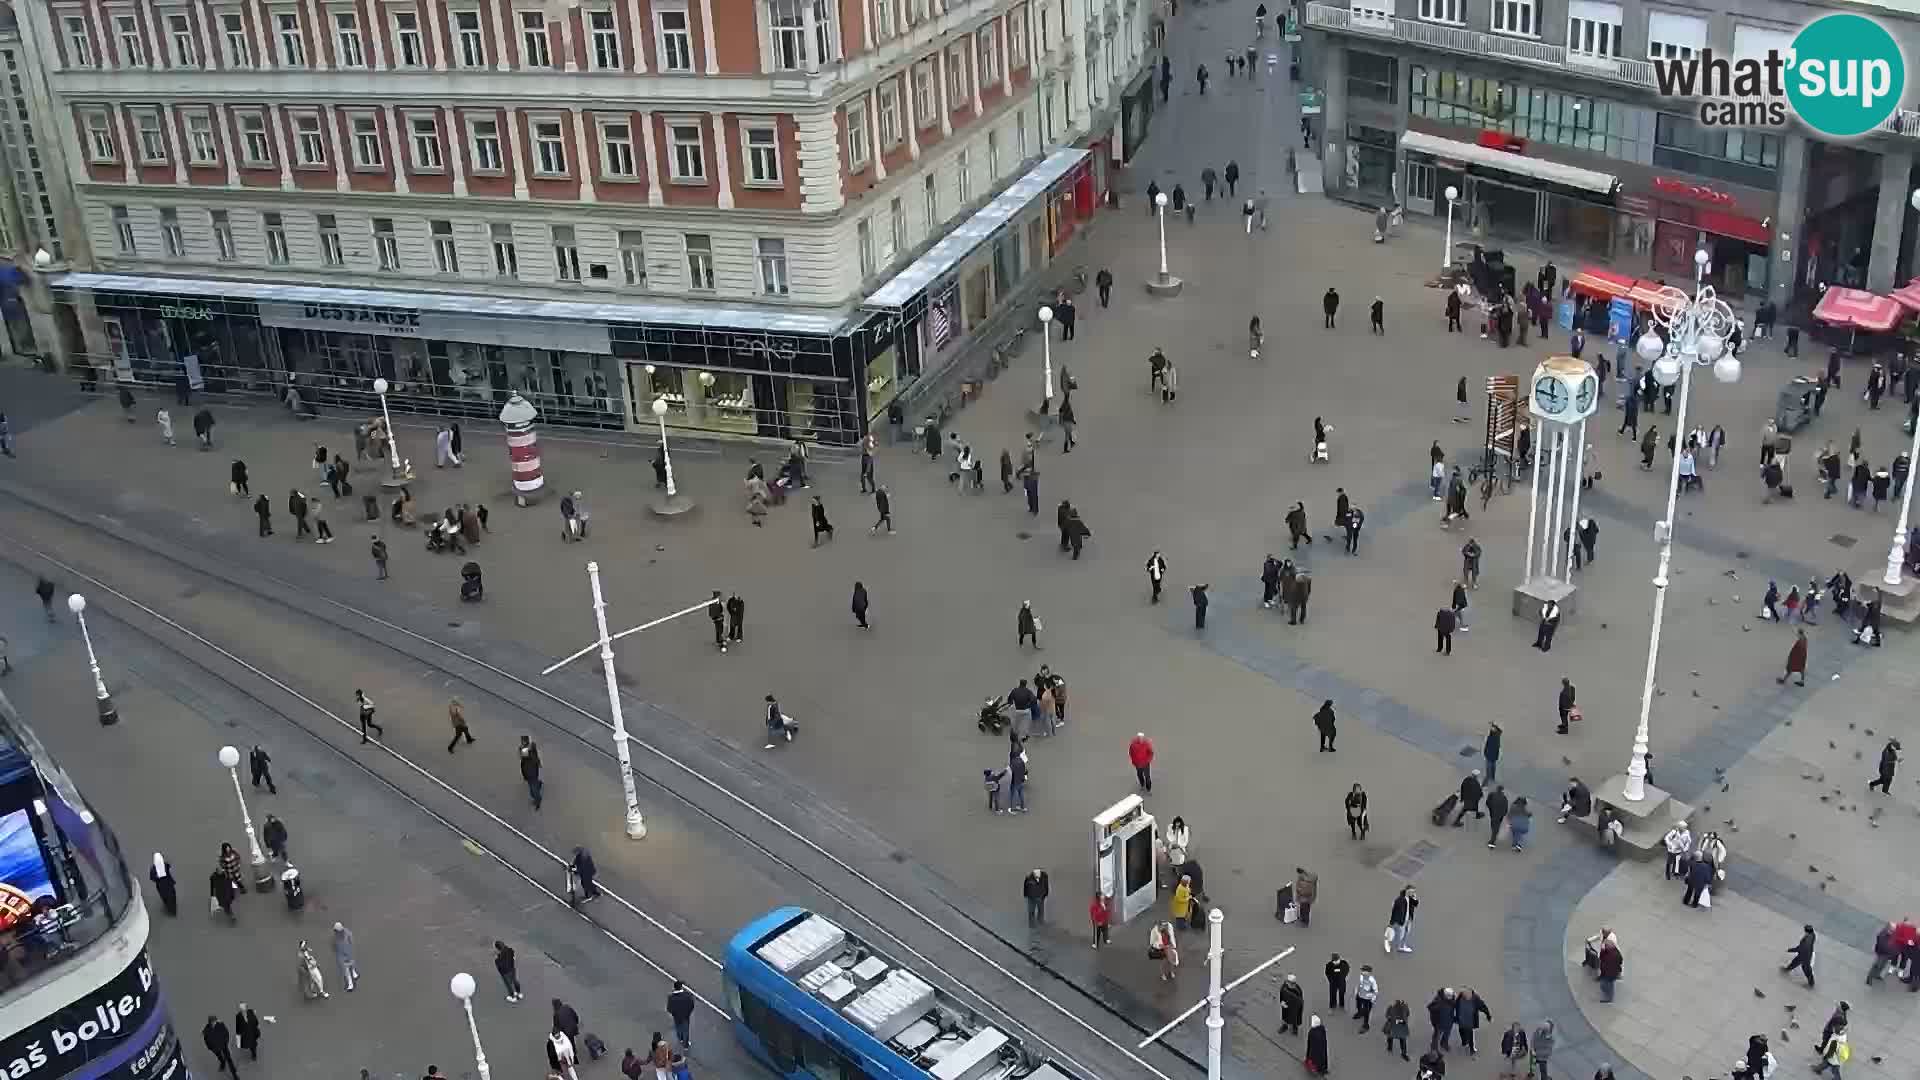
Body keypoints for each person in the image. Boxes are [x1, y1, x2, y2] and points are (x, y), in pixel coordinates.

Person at [1388, 886, 1416, 952]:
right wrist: (1392, 921)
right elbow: (1394, 910)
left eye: (1413, 892)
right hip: (1402, 920)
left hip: (1408, 919)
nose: (1412, 893)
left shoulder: (1411, 899)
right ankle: (1396, 945)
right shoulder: (1400, 899)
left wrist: (1414, 899)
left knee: (1406, 932)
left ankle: (1402, 946)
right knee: (1400, 934)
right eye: (1411, 891)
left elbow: (1415, 905)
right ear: (1406, 891)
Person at [332, 922, 358, 991]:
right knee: (346, 968)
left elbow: (351, 940)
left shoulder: (344, 933)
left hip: (346, 953)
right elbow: (334, 946)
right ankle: (350, 982)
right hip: (344, 954)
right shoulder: (338, 935)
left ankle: (353, 973)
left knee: (349, 965)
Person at [1596, 933, 1623, 1001]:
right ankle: (1608, 994)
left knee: (1608, 985)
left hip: (1609, 974)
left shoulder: (1611, 954)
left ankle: (1609, 998)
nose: (1604, 946)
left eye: (1605, 946)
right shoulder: (1615, 952)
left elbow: (1602, 959)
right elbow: (1620, 961)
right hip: (1608, 972)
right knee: (1605, 985)